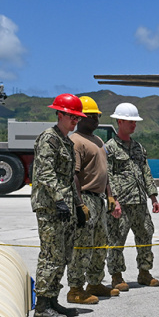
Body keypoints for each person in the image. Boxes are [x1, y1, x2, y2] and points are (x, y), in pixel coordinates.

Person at [31, 93, 87, 317]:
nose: (75, 121)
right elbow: (45, 173)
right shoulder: (49, 139)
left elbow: (69, 178)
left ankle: (53, 300)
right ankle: (42, 306)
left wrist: (77, 206)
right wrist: (59, 200)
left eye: (77, 117)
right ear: (59, 114)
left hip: (65, 207)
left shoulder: (67, 142)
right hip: (50, 207)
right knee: (50, 256)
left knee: (63, 256)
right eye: (71, 116)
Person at [66, 96, 123, 301]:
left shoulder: (98, 141)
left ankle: (95, 283)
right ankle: (75, 289)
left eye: (97, 116)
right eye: (92, 116)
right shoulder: (76, 141)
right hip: (86, 198)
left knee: (101, 243)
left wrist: (110, 196)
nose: (96, 120)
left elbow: (104, 173)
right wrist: (79, 204)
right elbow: (74, 176)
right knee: (82, 244)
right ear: (80, 118)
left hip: (99, 199)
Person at [105, 102, 159, 290]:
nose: (134, 125)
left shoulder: (138, 147)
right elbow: (107, 176)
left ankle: (144, 272)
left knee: (146, 234)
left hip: (140, 202)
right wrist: (114, 201)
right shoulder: (110, 148)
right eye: (130, 122)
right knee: (116, 239)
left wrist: (153, 197)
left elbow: (146, 172)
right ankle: (116, 276)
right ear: (120, 122)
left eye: (135, 122)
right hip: (121, 203)